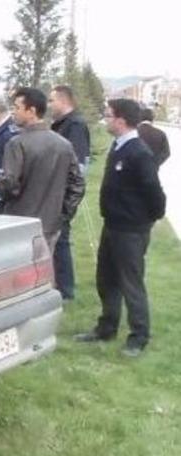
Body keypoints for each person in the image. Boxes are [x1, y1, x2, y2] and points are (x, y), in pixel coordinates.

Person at [74, 99, 166, 357]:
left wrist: (148, 219)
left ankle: (139, 337)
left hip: (131, 230)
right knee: (106, 279)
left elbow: (155, 193)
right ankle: (106, 327)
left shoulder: (138, 152)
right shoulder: (118, 146)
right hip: (112, 225)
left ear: (121, 120)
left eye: (108, 116)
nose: (105, 120)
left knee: (131, 283)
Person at [0, 87, 85, 254]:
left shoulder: (17, 144)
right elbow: (77, 184)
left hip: (20, 224)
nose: (13, 112)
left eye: (17, 107)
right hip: (50, 226)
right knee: (44, 267)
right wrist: (62, 215)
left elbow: (10, 184)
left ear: (32, 111)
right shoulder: (63, 144)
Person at [49, 85, 91, 300]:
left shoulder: (75, 125)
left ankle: (65, 290)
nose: (49, 105)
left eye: (52, 100)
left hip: (63, 194)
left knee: (61, 240)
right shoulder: (59, 124)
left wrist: (67, 198)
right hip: (53, 191)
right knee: (55, 240)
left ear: (64, 101)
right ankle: (56, 283)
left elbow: (78, 165)